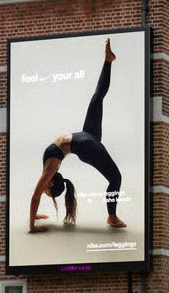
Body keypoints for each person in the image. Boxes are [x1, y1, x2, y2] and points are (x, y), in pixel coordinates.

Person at [28, 39, 126, 233]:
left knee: (97, 97)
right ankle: (112, 216)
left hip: (85, 138)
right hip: (85, 143)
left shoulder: (49, 172)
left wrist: (32, 224)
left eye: (46, 193)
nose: (44, 191)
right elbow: (36, 196)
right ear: (52, 184)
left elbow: (35, 196)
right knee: (115, 178)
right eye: (48, 192)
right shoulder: (50, 170)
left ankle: (108, 60)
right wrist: (33, 218)